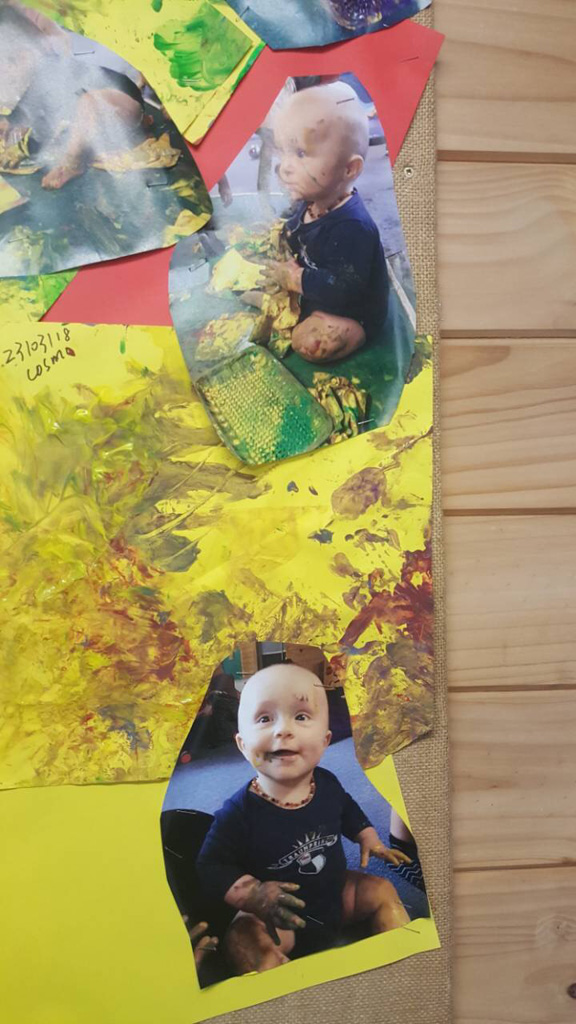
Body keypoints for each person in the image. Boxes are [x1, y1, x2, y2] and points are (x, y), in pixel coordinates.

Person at [196, 664, 410, 975]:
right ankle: (277, 983)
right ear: (242, 745)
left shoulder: (328, 783)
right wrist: (254, 894)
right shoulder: (238, 812)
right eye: (265, 719)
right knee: (242, 938)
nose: (283, 729)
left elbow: (346, 809)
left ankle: (403, 961)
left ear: (325, 741)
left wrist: (367, 836)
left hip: (337, 895)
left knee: (382, 890)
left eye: (300, 716)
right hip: (277, 916)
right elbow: (210, 864)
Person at [243, 82, 389, 363]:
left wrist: (295, 279)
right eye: (284, 152)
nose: (285, 166)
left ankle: (296, 313)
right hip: (314, 290)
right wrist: (279, 232)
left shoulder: (352, 227)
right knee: (270, 277)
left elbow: (343, 288)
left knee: (309, 345)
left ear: (349, 168)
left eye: (300, 154)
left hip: (350, 310)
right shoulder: (312, 199)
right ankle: (286, 305)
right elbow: (294, 225)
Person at [0, 3, 146, 190]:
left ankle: (73, 163)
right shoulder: (38, 77)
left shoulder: (54, 57)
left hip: (122, 102)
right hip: (87, 115)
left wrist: (70, 158)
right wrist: (9, 125)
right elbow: (24, 113)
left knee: (90, 102)